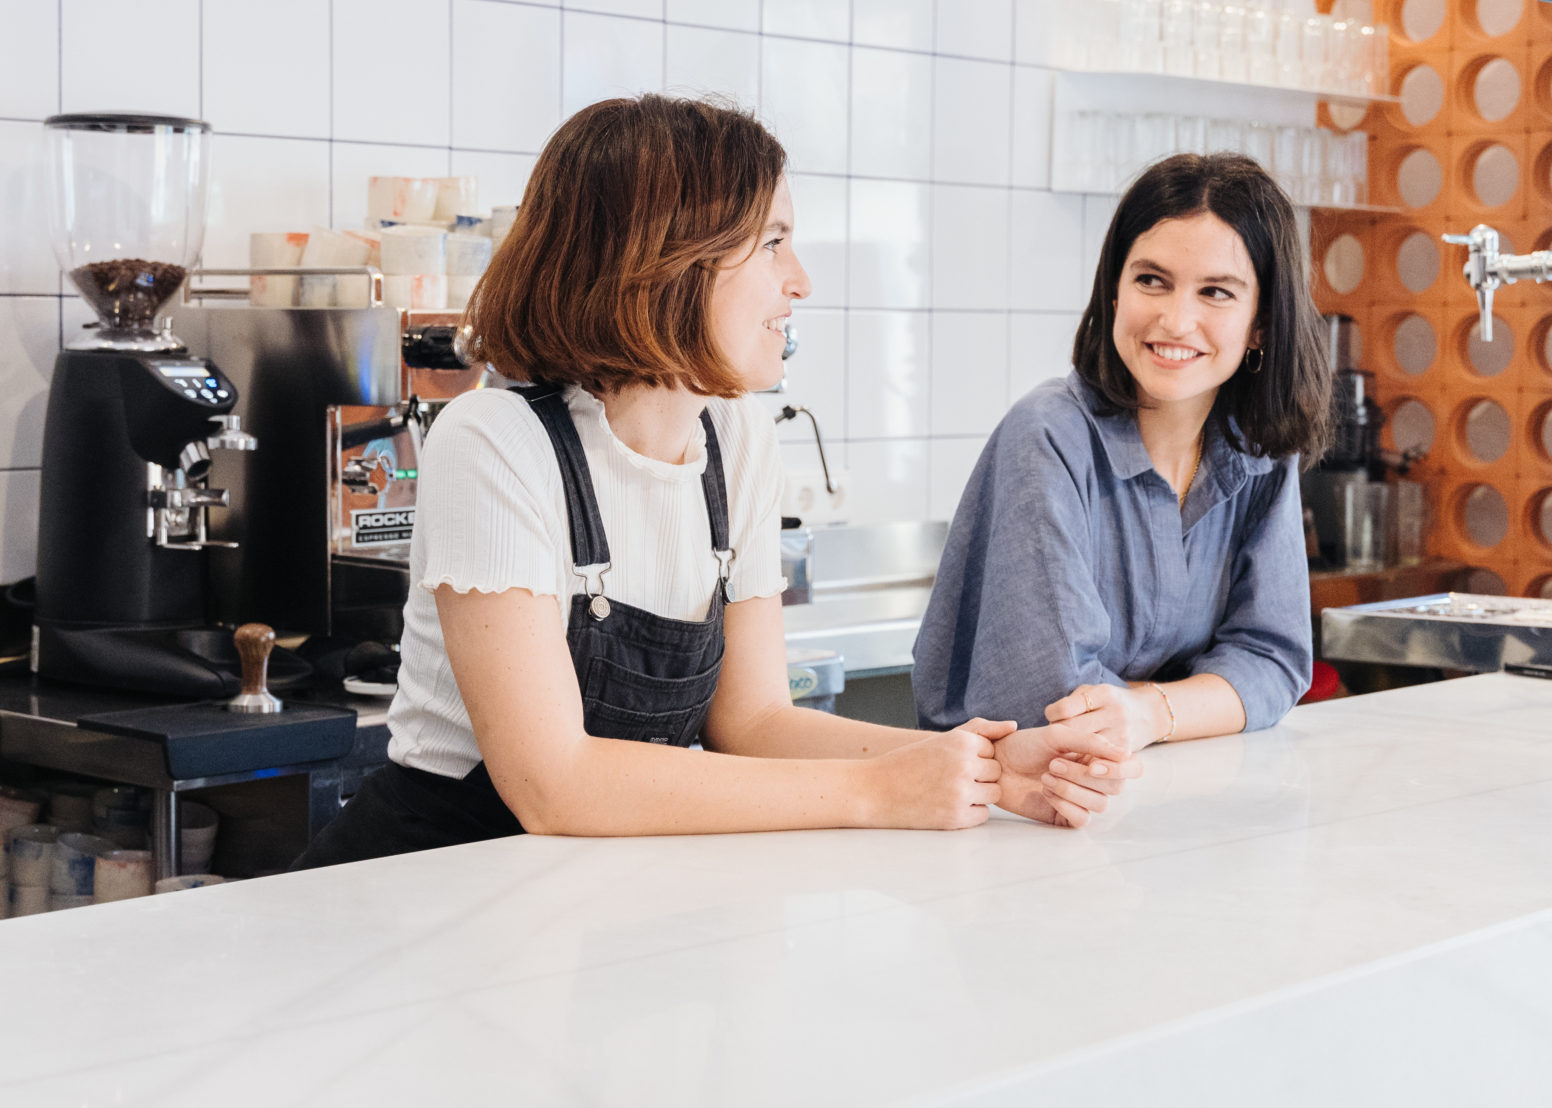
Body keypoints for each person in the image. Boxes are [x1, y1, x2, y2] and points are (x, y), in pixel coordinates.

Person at [299, 97, 1129, 865]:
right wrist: (876, 788)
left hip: (591, 881)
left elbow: (752, 722)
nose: (799, 280)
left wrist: (985, 764)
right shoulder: (494, 441)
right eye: (772, 243)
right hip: (439, 876)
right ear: (664, 260)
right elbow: (554, 784)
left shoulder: (735, 438)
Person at [913, 152, 1332, 759]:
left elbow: (1274, 660)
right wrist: (1192, 700)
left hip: (1169, 793)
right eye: (1151, 280)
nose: (1175, 319)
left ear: (1261, 322)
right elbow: (1055, 704)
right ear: (1114, 289)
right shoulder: (1049, 434)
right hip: (1015, 813)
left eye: (1215, 292)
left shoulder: (1259, 446)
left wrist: (1148, 711)